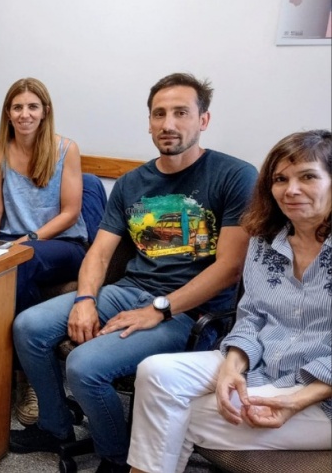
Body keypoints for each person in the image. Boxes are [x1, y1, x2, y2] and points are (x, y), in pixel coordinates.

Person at [9, 72, 258, 473]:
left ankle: (118, 456)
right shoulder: (130, 183)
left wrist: (158, 309)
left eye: (181, 113)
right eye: (159, 114)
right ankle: (54, 426)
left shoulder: (235, 175)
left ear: (203, 120)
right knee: (28, 327)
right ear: (149, 122)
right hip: (127, 290)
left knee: (84, 366)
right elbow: (98, 253)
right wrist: (85, 299)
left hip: (188, 312)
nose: (168, 124)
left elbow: (230, 268)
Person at [128, 129, 332, 473]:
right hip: (265, 363)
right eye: (280, 179)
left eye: (308, 177)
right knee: (155, 374)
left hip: (320, 395)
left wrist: (296, 401)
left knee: (175, 414)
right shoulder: (265, 240)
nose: (291, 190)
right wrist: (231, 368)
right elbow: (250, 316)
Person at [0, 77, 90, 426]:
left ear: (45, 112)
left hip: (64, 244)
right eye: (17, 107)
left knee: (21, 261)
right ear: (8, 113)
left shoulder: (66, 149)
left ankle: (27, 377)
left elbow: (70, 212)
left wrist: (29, 239)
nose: (24, 114)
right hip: (15, 244)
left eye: (32, 106)